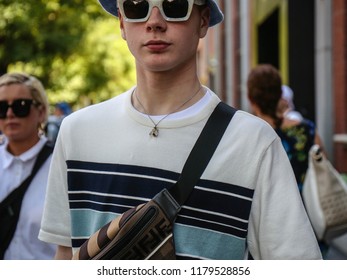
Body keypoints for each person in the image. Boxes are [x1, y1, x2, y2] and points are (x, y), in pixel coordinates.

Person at [39, 0, 321, 260]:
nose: (155, 21)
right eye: (137, 6)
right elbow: (66, 255)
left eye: (175, 5)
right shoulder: (76, 131)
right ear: (122, 23)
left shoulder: (254, 143)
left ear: (203, 20)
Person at [0, 72, 56, 259]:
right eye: (2, 107)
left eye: (20, 106)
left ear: (41, 112)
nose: (9, 114)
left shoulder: (61, 164)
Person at [247, 64, 325, 193]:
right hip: (306, 208)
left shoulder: (249, 136)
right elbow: (323, 167)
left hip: (266, 211)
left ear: (251, 99)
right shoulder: (306, 129)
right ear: (280, 94)